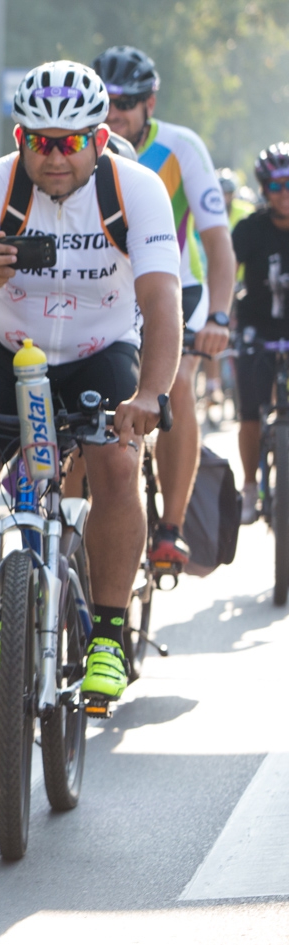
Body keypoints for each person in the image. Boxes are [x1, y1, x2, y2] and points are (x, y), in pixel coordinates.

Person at [0, 60, 181, 705]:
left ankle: (106, 633)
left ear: (99, 140)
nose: (56, 156)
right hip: (10, 348)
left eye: (71, 141)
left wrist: (150, 394)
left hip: (102, 348)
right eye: (39, 141)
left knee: (116, 466)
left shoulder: (137, 189)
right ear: (21, 140)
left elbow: (160, 300)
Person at [94, 45, 236, 572]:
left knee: (174, 386)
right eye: (107, 101)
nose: (116, 113)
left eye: (127, 102)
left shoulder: (180, 147)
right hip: (109, 292)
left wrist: (219, 316)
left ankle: (171, 529)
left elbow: (217, 242)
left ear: (150, 101)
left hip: (179, 287)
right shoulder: (78, 147)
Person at [229, 145, 289, 523]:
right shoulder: (249, 229)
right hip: (256, 329)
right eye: (277, 185)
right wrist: (217, 318)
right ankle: (250, 486)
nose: (285, 192)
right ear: (264, 190)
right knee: (250, 414)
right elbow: (226, 274)